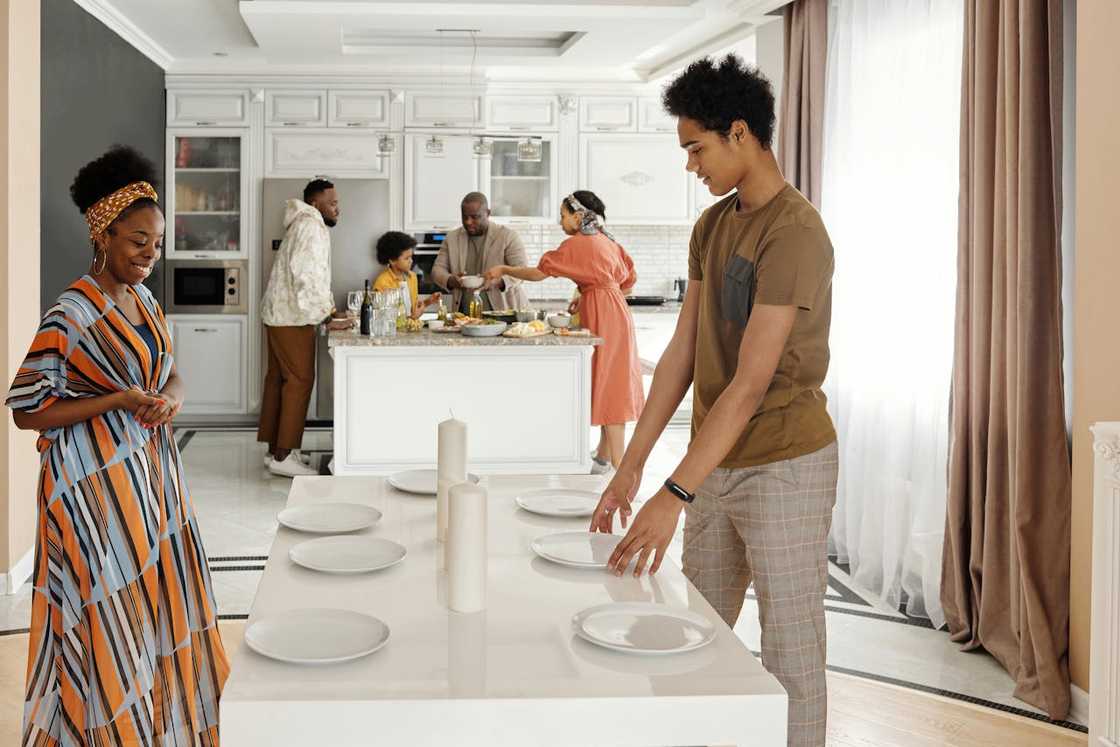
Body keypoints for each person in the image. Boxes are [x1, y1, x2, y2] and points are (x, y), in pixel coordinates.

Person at [589, 54, 838, 747]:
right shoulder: (712, 227)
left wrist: (675, 494)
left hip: (785, 463)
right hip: (714, 461)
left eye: (696, 147)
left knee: (789, 650)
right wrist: (633, 467)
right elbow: (681, 360)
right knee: (695, 635)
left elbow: (751, 384)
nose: (690, 163)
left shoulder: (795, 232)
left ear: (739, 133)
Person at [5, 145, 228, 744]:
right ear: (103, 234)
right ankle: (103, 728)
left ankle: (156, 725)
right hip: (89, 486)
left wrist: (170, 397)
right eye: (137, 241)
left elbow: (168, 371)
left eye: (156, 243)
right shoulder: (71, 313)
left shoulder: (145, 300)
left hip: (150, 475)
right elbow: (28, 410)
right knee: (106, 605)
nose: (149, 255)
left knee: (152, 596)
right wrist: (121, 400)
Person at [484, 190, 645, 475]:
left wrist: (503, 269)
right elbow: (628, 281)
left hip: (604, 314)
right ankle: (603, 458)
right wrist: (589, 292)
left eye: (563, 215)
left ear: (578, 215)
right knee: (612, 376)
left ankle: (623, 472)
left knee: (609, 383)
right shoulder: (607, 240)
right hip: (617, 311)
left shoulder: (578, 244)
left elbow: (538, 273)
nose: (561, 222)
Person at [258, 178, 352, 477]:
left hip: (279, 313)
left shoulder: (300, 223)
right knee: (299, 381)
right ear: (316, 203)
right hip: (294, 316)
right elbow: (307, 277)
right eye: (333, 203)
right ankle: (285, 457)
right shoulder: (312, 227)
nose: (338, 208)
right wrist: (327, 316)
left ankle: (275, 451)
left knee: (280, 380)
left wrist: (328, 311)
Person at [431, 192, 530, 312]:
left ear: (487, 213)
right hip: (466, 318)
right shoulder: (452, 238)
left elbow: (522, 271)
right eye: (465, 217)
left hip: (506, 314)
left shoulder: (507, 236)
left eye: (474, 217)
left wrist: (499, 282)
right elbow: (437, 270)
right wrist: (451, 280)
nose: (468, 222)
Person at [372, 231, 442, 319]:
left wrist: (428, 301)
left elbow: (412, 309)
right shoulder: (382, 282)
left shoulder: (412, 277)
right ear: (392, 261)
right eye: (406, 258)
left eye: (411, 257)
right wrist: (413, 318)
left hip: (409, 329)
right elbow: (382, 317)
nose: (411, 261)